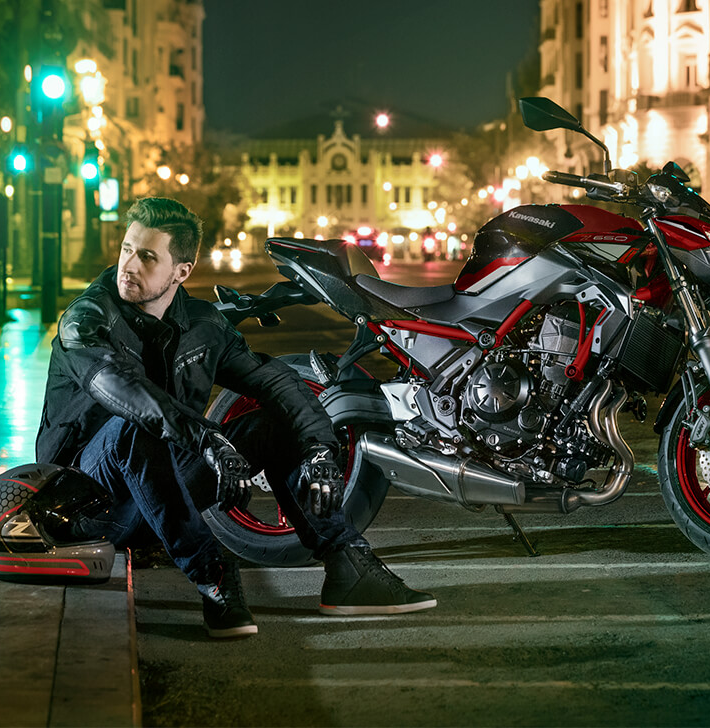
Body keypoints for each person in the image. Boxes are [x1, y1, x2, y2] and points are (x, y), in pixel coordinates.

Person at [36, 197, 435, 638]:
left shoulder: (202, 325)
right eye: (127, 249)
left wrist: (319, 450)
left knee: (274, 422)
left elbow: (276, 381)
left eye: (147, 256)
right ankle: (214, 578)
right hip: (86, 503)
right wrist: (207, 439)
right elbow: (120, 388)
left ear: (181, 271)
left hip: (161, 498)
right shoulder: (86, 318)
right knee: (133, 426)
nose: (128, 264)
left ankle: (348, 567)